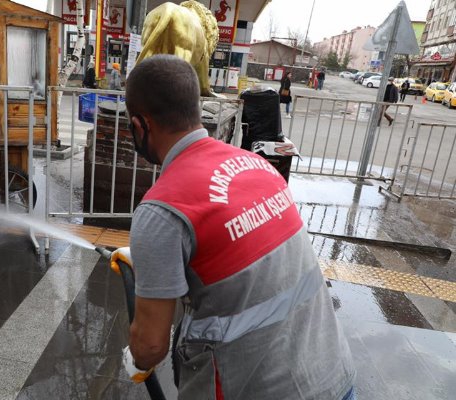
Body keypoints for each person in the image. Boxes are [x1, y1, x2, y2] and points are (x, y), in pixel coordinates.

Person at [112, 54, 355, 400]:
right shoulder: (257, 166)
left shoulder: (162, 210)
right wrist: (154, 263)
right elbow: (236, 258)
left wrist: (135, 360)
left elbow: (151, 346)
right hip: (334, 376)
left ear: (140, 125)